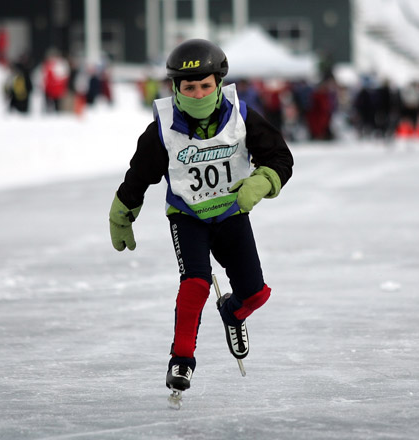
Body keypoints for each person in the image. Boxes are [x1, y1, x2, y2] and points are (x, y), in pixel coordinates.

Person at [108, 39, 293, 394]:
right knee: (195, 283)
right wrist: (123, 213)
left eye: (205, 86)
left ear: (218, 84)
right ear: (175, 88)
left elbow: (281, 158)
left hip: (231, 214)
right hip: (187, 215)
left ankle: (233, 313)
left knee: (256, 294)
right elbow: (139, 174)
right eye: (188, 87)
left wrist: (263, 181)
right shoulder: (162, 129)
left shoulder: (242, 117)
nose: (197, 94)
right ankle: (182, 360)